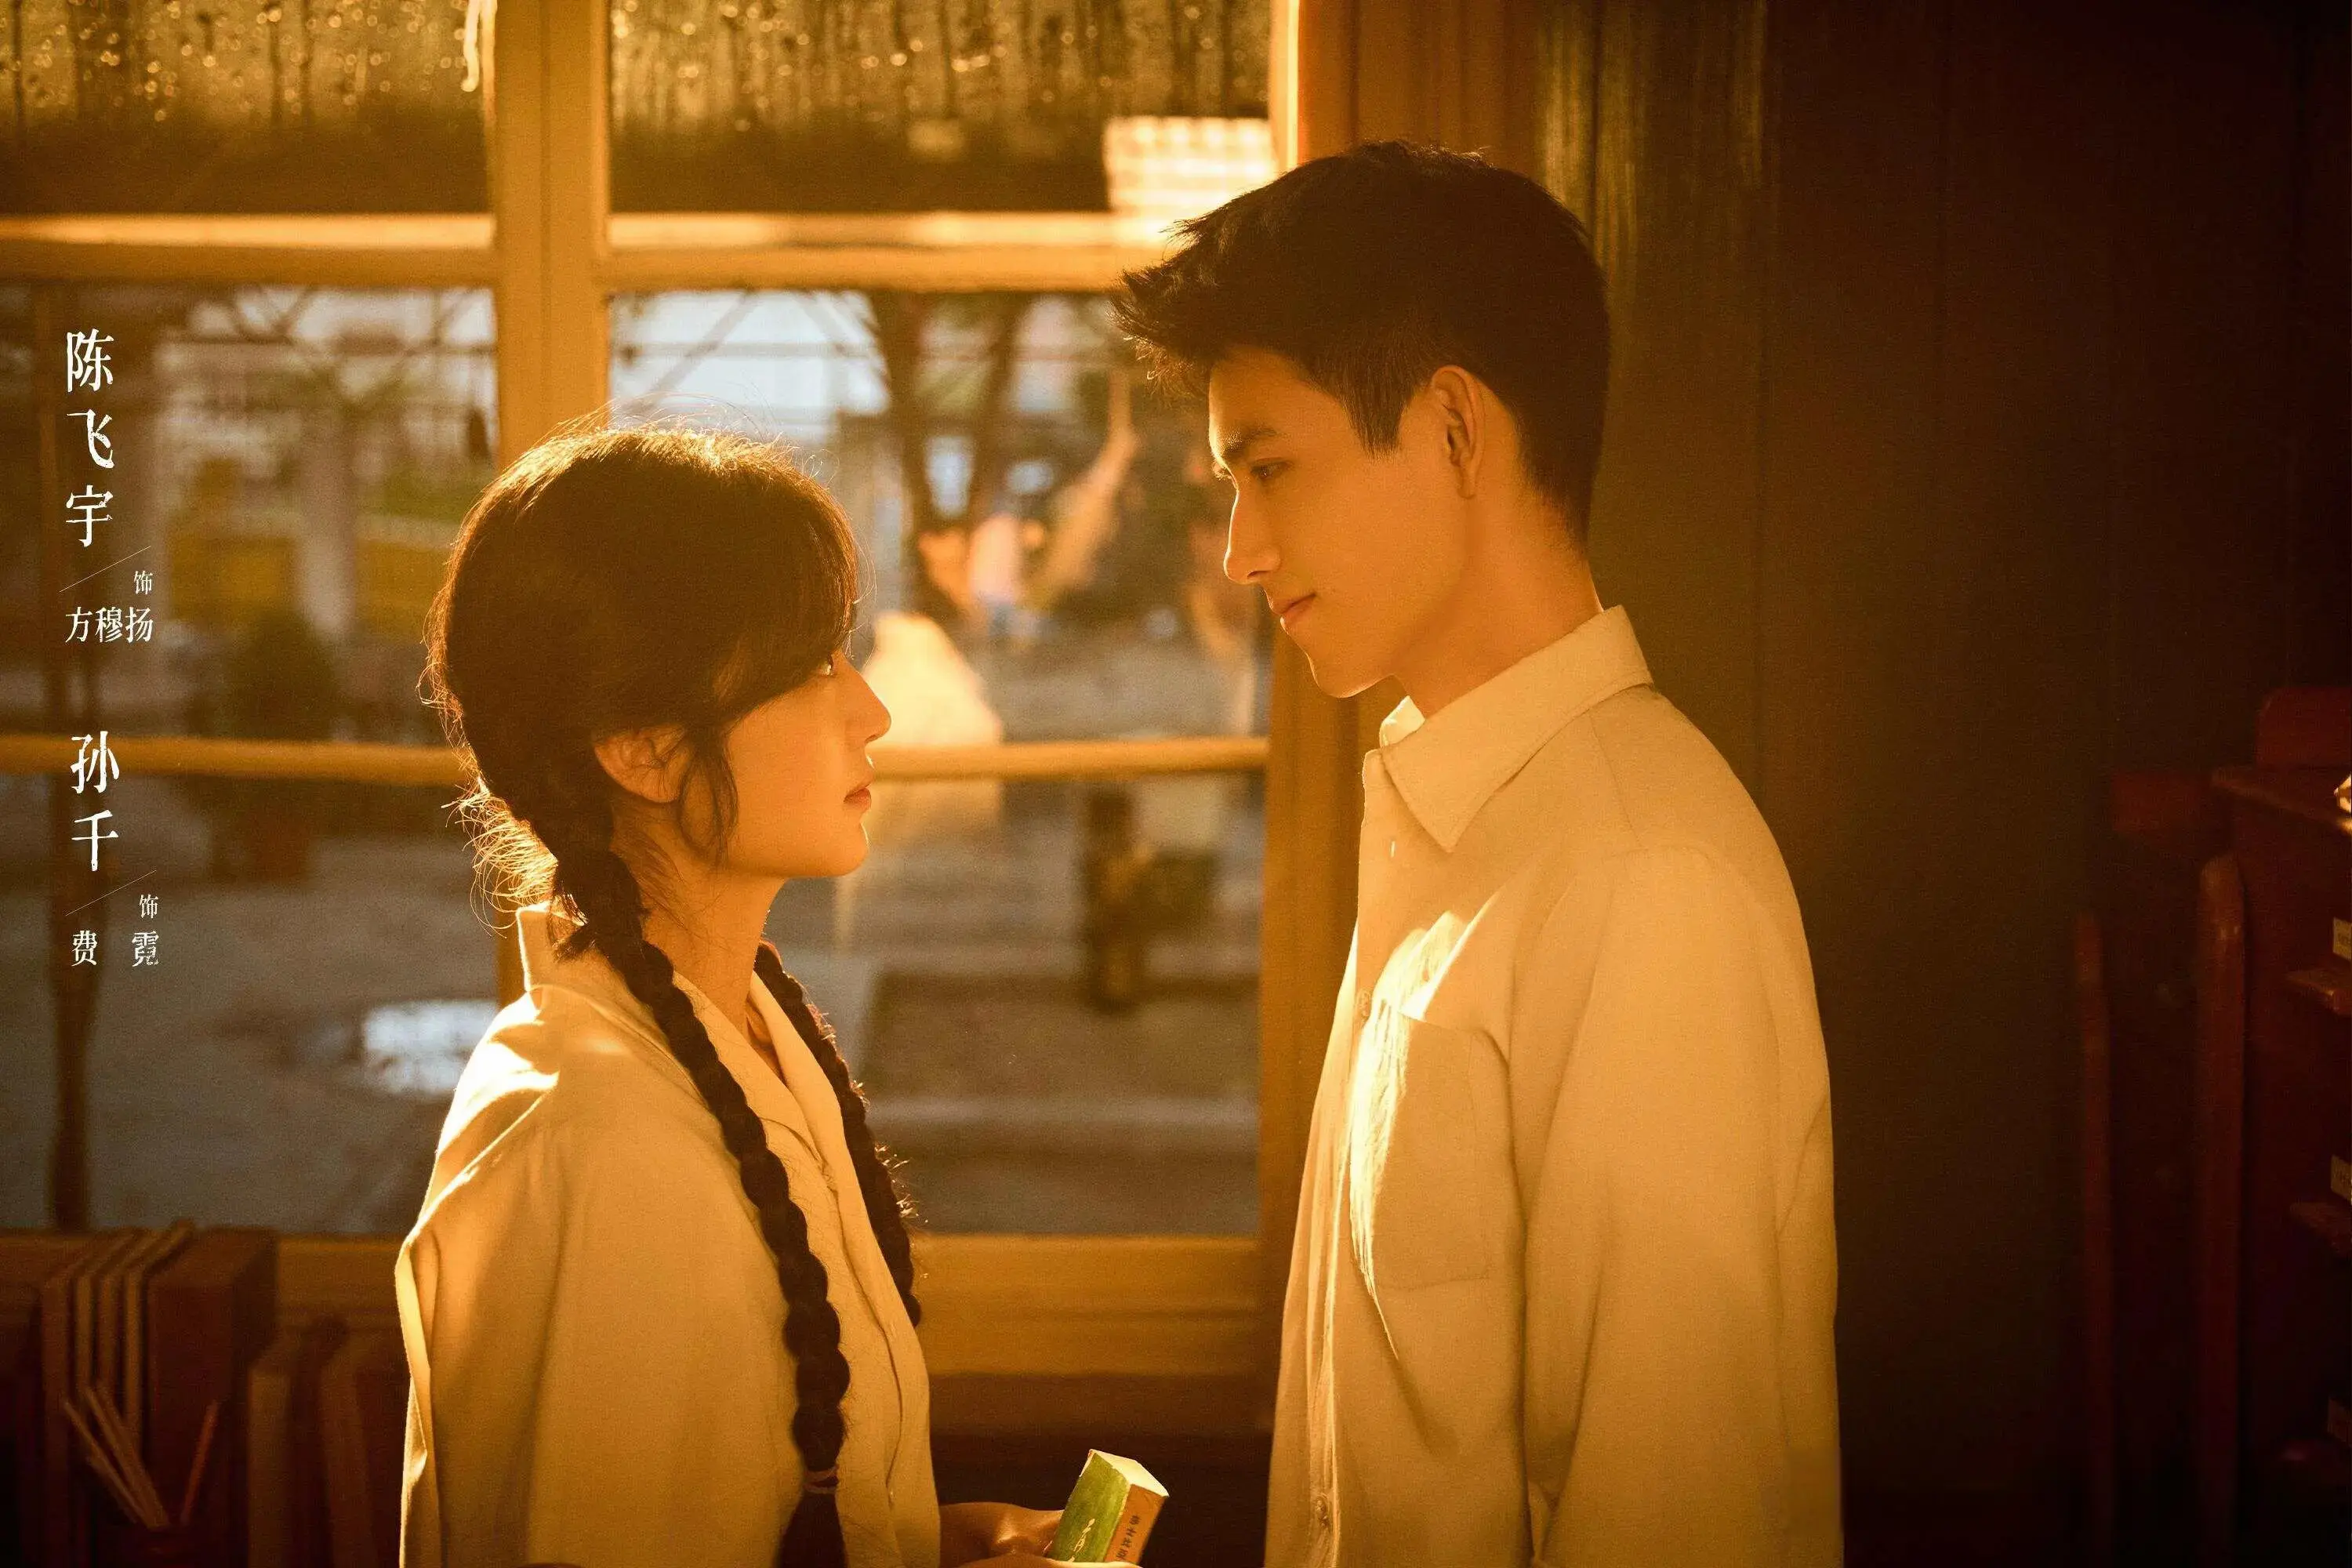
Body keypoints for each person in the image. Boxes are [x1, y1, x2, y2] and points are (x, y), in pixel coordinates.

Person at [1116, 140, 1842, 1566]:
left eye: (1272, 470)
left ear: (1455, 430)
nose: (1242, 550)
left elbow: (1668, 1512)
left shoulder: (1638, 875)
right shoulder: (1465, 815)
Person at [398, 419, 1080, 1568]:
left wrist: (937, 1541)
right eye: (812, 668)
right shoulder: (597, 1143)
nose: (871, 711)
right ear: (647, 750)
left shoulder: (742, 1024)